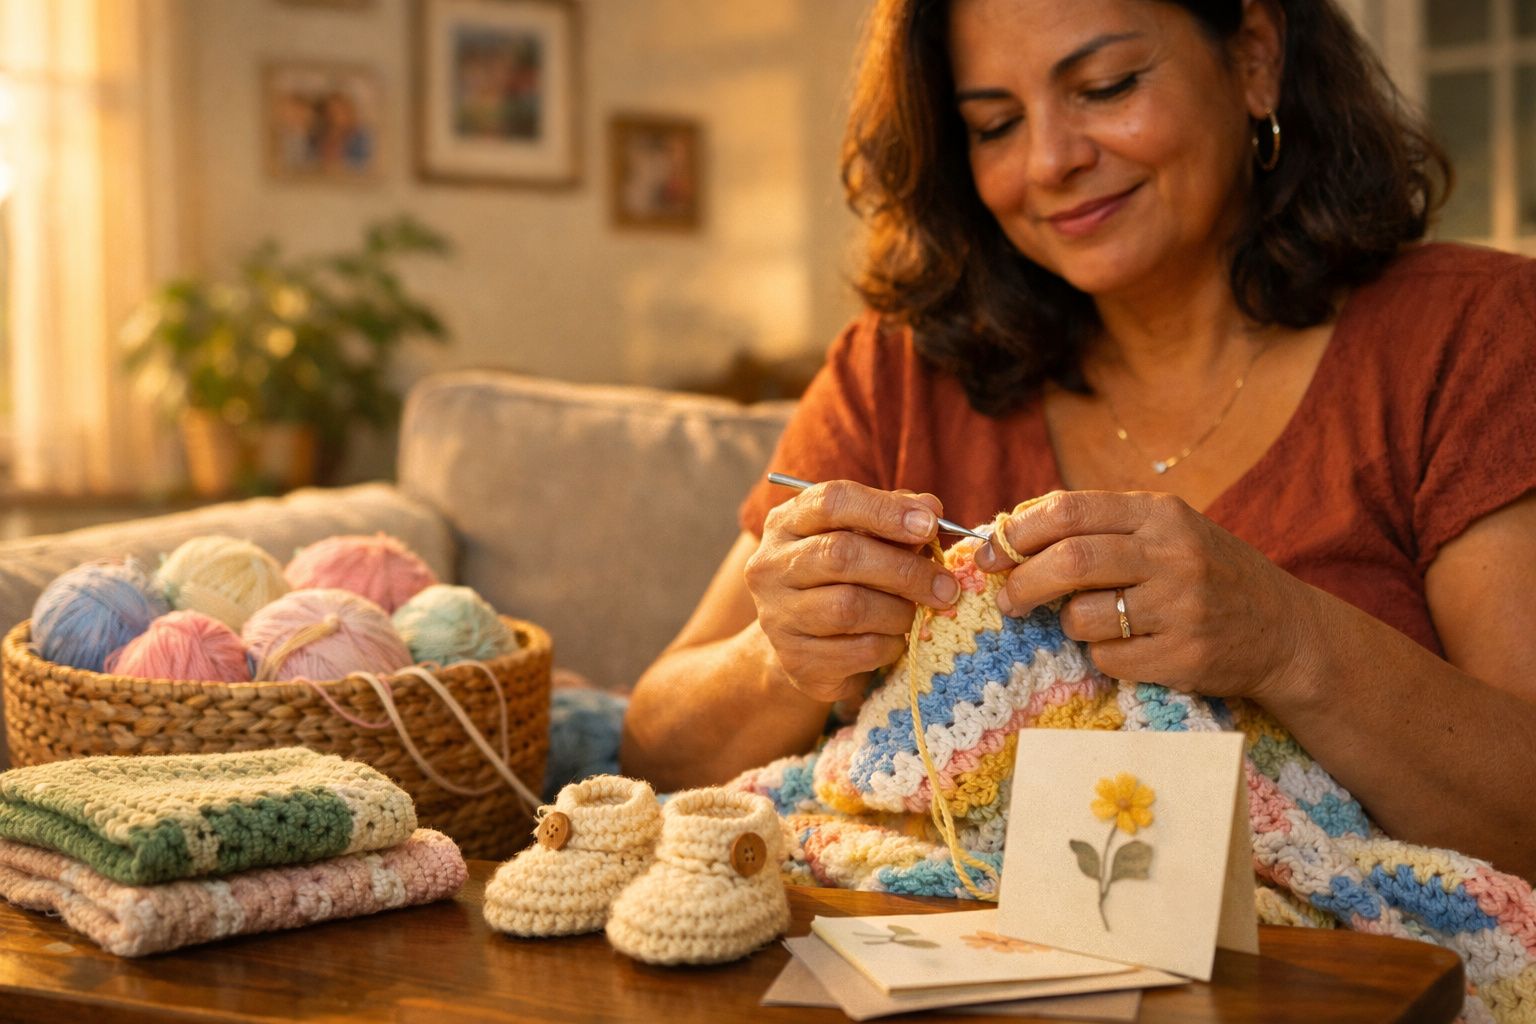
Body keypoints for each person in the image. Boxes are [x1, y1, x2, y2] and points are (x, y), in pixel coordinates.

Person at [620, 0, 1536, 883]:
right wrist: (780, 658)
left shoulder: (1473, 337)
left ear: (1254, 57)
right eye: (994, 125)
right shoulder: (898, 373)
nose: (1050, 160)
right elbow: (654, 751)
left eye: (1104, 85)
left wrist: (1288, 640)